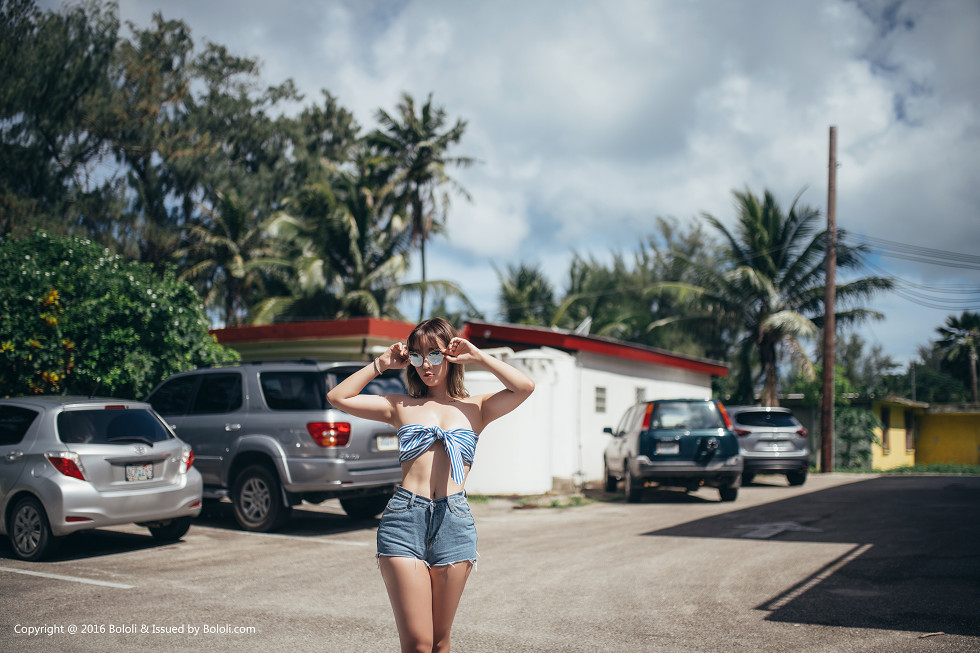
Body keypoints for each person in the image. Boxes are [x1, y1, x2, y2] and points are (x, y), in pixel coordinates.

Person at [327, 317, 534, 653]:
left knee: (440, 641)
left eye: (435, 355)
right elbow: (338, 396)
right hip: (404, 519)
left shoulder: (477, 408)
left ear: (450, 357)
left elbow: (524, 387)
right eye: (418, 355)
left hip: (454, 522)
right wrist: (381, 364)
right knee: (418, 643)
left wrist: (478, 355)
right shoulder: (400, 405)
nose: (427, 365)